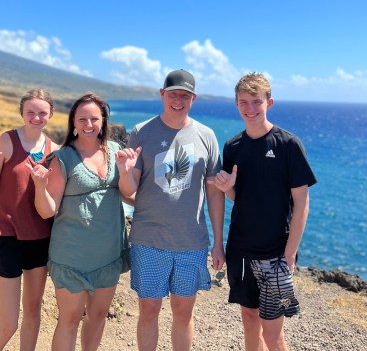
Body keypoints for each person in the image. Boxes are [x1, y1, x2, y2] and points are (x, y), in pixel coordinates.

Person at [114, 69, 225, 351]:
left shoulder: (206, 136)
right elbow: (128, 191)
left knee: (183, 313)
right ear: (162, 94)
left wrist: (218, 243)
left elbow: (213, 191)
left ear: (193, 99)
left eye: (185, 95)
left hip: (191, 242)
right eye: (173, 94)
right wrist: (125, 173)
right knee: (149, 312)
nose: (179, 100)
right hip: (149, 240)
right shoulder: (142, 132)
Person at [213, 72, 317, 351]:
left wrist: (289, 254)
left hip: (275, 254)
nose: (250, 109)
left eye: (256, 102)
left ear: (269, 103)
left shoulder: (288, 145)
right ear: (236, 104)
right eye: (243, 102)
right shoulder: (233, 146)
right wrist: (228, 189)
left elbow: (302, 204)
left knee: (273, 333)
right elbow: (240, 198)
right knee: (249, 319)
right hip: (242, 251)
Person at [28, 93, 129, 351]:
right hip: (72, 257)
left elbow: (131, 194)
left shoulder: (116, 152)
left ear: (103, 120)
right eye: (82, 118)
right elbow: (47, 210)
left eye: (94, 118)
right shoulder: (64, 158)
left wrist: (129, 171)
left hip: (108, 255)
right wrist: (40, 186)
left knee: (98, 317)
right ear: (73, 121)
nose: (88, 124)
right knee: (70, 319)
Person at [0, 89, 59, 351]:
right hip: (6, 236)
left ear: (51, 115)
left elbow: (52, 201)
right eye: (30, 112)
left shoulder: (54, 150)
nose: (36, 117)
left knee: (33, 314)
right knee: (8, 323)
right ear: (22, 113)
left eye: (42, 112)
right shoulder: (6, 141)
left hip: (40, 238)